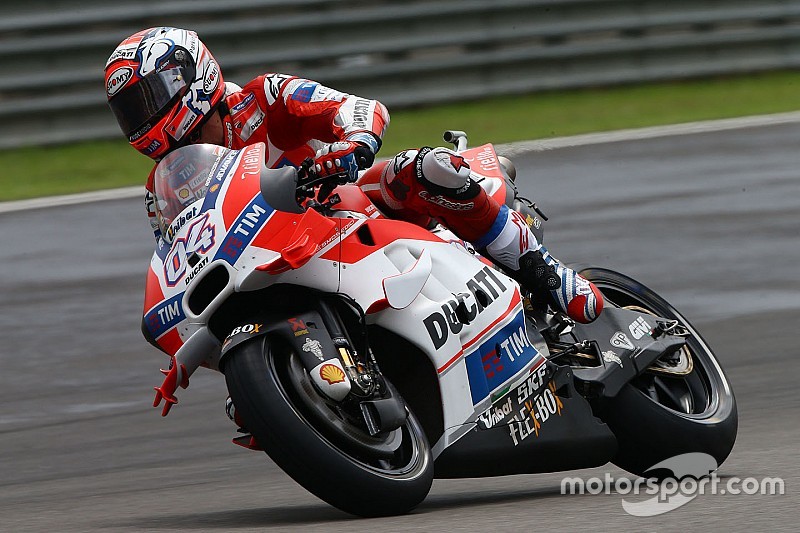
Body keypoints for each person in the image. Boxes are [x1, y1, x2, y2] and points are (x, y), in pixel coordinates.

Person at [104, 26, 602, 328]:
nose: (141, 122)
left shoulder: (265, 96)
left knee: (426, 170)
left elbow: (358, 108)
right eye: (130, 113)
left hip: (344, 206)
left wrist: (352, 144)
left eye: (146, 102)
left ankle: (546, 274)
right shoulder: (163, 188)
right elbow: (184, 259)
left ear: (190, 78)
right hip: (277, 259)